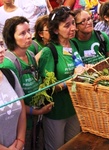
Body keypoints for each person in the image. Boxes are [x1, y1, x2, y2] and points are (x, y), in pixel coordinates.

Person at [0, 16, 53, 150]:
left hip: (34, 120)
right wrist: (36, 111)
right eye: (22, 33)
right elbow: (16, 100)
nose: (29, 36)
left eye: (29, 31)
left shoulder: (30, 55)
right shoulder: (8, 63)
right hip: (18, 125)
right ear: (12, 37)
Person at [35, 6, 83, 150]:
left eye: (73, 23)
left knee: (74, 145)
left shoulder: (74, 44)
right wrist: (71, 81)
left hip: (74, 108)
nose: (73, 28)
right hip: (56, 112)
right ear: (55, 30)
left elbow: (78, 66)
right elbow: (47, 88)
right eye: (67, 25)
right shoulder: (49, 52)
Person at [0, 37, 26, 150]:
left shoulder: (9, 75)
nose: (2, 49)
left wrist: (20, 141)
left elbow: (22, 111)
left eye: (1, 44)